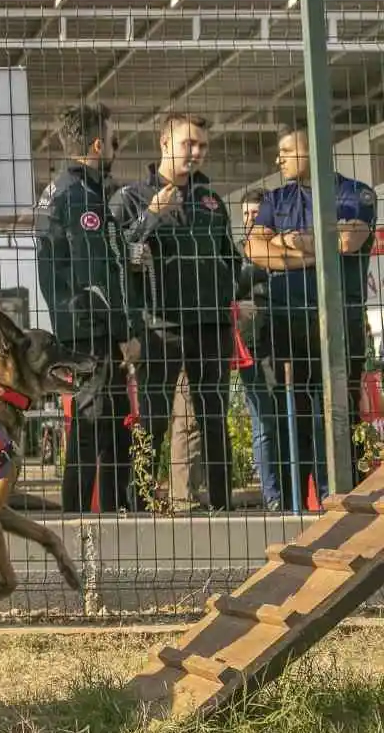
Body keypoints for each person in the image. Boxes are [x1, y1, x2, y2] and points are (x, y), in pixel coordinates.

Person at [109, 113, 240, 510]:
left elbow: (229, 257)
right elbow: (117, 258)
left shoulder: (211, 200)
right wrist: (150, 215)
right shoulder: (131, 198)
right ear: (164, 143)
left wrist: (235, 292)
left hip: (210, 326)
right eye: (189, 144)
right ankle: (142, 501)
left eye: (202, 146)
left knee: (214, 419)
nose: (196, 152)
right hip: (159, 328)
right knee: (153, 420)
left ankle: (221, 503)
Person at [242, 125, 375, 508]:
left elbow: (350, 240)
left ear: (313, 149)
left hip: (337, 322)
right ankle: (292, 507)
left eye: (287, 150)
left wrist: (288, 243)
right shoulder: (276, 198)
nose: (278, 158)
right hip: (286, 325)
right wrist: (320, 251)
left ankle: (342, 503)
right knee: (292, 419)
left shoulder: (353, 193)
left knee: (335, 416)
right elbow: (254, 249)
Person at [34, 104, 144, 513]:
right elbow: (98, 275)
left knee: (102, 427)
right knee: (96, 429)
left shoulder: (61, 190)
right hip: (93, 332)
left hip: (76, 325)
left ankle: (106, 514)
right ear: (98, 145)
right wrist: (124, 332)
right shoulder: (82, 198)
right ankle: (87, 519)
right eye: (115, 141)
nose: (117, 148)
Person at [233, 191, 280, 509]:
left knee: (290, 419)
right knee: (263, 422)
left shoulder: (282, 251)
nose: (251, 219)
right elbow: (230, 290)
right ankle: (273, 496)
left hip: (285, 345)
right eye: (246, 214)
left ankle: (294, 492)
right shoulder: (238, 254)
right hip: (253, 349)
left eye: (256, 213)